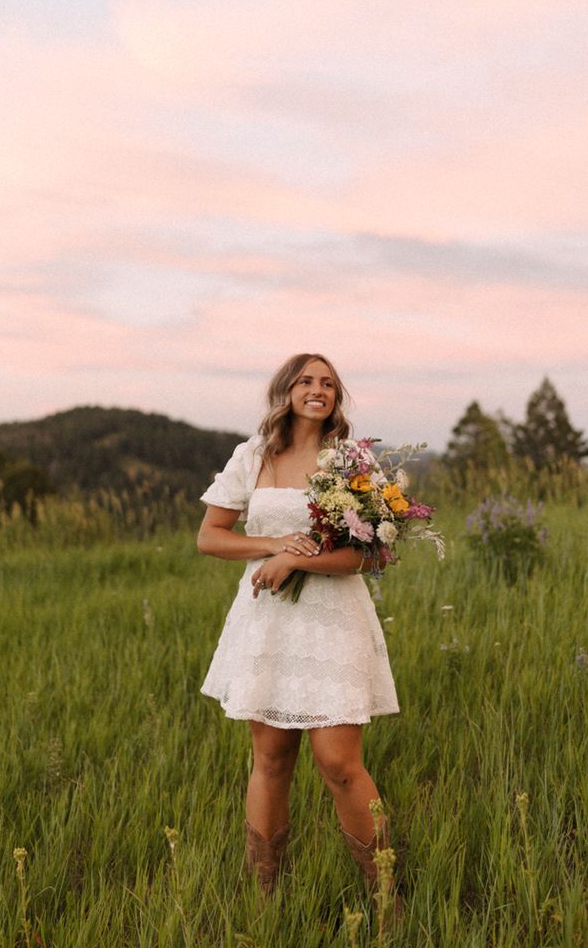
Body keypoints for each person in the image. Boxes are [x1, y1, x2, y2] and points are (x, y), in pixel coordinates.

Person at [197, 352, 400, 902]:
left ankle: (386, 897)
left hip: (334, 623)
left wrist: (298, 561)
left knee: (338, 763)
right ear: (286, 390)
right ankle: (266, 895)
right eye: (307, 381)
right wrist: (272, 546)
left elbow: (375, 556)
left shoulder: (351, 464)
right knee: (270, 759)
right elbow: (211, 537)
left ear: (337, 397)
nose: (319, 389)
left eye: (329, 383)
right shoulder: (253, 456)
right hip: (267, 623)